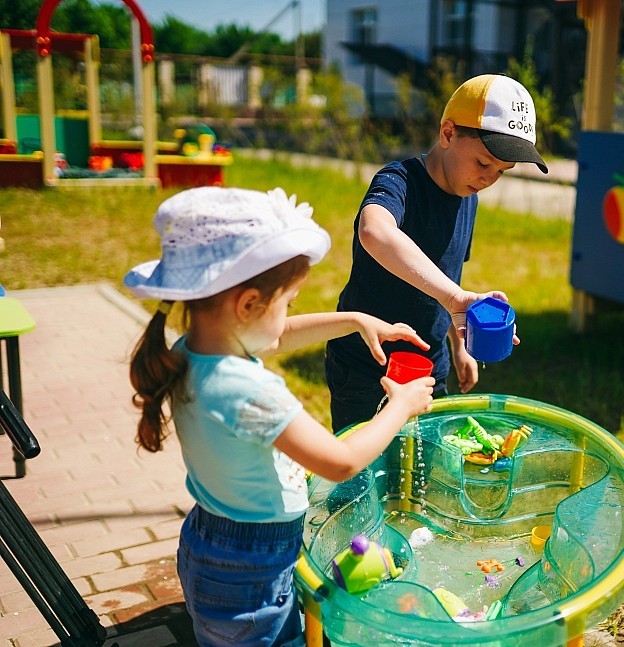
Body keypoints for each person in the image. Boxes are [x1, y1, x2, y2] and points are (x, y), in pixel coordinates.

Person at [125, 186, 434, 647]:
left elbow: (276, 336)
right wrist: (400, 406)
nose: (289, 314)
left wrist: (356, 319)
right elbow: (340, 461)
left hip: (211, 539)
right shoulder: (249, 391)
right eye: (288, 301)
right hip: (253, 568)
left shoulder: (192, 351)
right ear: (247, 305)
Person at [326, 73, 548, 431]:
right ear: (448, 134)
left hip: (429, 367)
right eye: (482, 163)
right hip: (367, 365)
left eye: (502, 172)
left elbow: (448, 275)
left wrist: (460, 344)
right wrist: (455, 297)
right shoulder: (400, 181)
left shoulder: (468, 198)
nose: (488, 179)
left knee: (425, 472)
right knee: (362, 472)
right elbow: (374, 231)